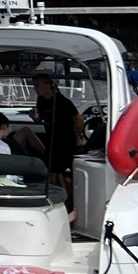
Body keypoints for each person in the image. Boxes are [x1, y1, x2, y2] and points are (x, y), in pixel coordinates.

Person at [27, 70, 86, 208]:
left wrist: (79, 136)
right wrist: (34, 118)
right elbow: (41, 120)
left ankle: (72, 204)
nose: (36, 89)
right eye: (34, 86)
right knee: (52, 175)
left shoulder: (63, 101)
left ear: (48, 85)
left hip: (66, 142)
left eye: (38, 85)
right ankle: (60, 204)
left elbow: (78, 119)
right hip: (52, 141)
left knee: (67, 177)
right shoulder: (41, 101)